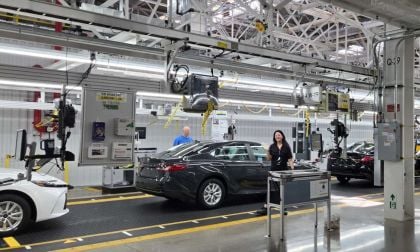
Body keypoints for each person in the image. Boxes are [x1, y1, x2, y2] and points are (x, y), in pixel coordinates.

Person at [256, 130, 294, 216]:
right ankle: (265, 208)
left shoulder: (286, 147)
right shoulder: (272, 146)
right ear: (274, 137)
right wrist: (267, 151)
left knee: (282, 190)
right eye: (276, 135)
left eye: (279, 135)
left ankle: (283, 207)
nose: (277, 136)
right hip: (273, 172)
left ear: (282, 136)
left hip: (283, 171)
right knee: (271, 189)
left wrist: (292, 169)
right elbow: (269, 158)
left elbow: (290, 159)